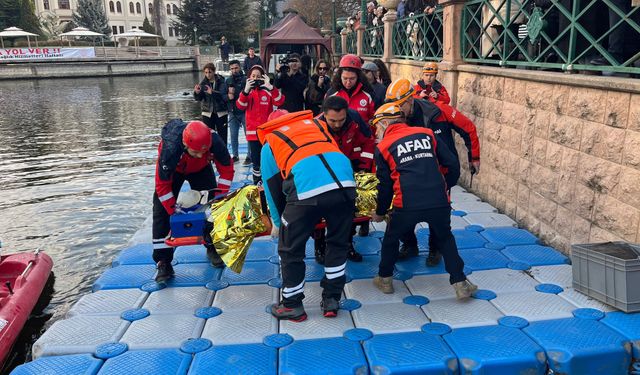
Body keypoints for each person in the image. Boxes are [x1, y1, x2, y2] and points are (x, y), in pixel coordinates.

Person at [369, 103, 478, 299]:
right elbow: (452, 162)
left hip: (407, 203)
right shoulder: (427, 133)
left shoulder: (384, 147)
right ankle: (460, 283)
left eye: (377, 126)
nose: (377, 131)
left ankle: (385, 279)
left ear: (385, 123)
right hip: (438, 200)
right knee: (445, 238)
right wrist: (445, 186)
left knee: (391, 238)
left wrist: (380, 211)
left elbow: (384, 186)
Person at [258, 110, 357, 321]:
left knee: (290, 248)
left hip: (308, 191)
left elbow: (273, 189)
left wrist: (279, 223)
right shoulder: (317, 127)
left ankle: (292, 305)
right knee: (338, 244)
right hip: (346, 186)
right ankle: (332, 300)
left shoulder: (271, 142)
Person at [385, 78, 480, 265]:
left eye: (398, 106)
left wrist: (474, 157)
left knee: (439, 214)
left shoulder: (438, 111)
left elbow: (468, 127)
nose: (394, 112)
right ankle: (409, 245)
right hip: (409, 175)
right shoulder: (393, 118)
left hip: (441, 172)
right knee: (402, 211)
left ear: (409, 101)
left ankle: (435, 249)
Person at [152, 120, 234, 282]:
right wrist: (174, 213)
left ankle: (213, 246)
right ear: (184, 144)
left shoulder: (215, 142)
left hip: (200, 169)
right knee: (161, 212)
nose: (201, 154)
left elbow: (227, 171)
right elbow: (162, 186)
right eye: (196, 152)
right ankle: (163, 262)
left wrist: (219, 197)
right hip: (175, 170)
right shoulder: (169, 149)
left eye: (204, 152)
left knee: (211, 209)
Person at [312, 96, 376, 264]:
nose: (338, 124)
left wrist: (363, 167)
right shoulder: (314, 127)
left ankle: (347, 244)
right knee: (321, 213)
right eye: (333, 121)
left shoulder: (355, 119)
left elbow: (368, 141)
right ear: (324, 114)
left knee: (349, 212)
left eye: (341, 120)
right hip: (323, 175)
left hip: (349, 172)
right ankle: (320, 246)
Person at [236, 65, 284, 184]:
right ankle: (257, 184)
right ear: (249, 78)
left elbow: (280, 101)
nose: (256, 79)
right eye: (253, 76)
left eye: (258, 76)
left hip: (266, 134)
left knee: (269, 160)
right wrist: (245, 91)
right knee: (256, 163)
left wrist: (270, 87)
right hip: (253, 135)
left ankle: (271, 183)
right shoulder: (247, 93)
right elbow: (239, 106)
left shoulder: (267, 92)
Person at [326, 54, 375, 124]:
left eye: (352, 78)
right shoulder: (331, 93)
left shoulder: (369, 93)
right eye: (345, 78)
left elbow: (375, 119)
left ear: (358, 77)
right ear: (340, 76)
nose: (348, 82)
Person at [194, 63, 229, 144]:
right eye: (206, 72)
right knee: (208, 135)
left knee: (223, 135)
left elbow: (223, 95)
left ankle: (223, 154)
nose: (208, 74)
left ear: (214, 72)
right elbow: (198, 99)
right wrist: (197, 92)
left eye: (210, 72)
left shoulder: (221, 81)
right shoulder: (202, 83)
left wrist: (212, 92)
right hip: (207, 112)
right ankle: (210, 154)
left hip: (221, 112)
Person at [225, 60, 247, 163]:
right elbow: (222, 95)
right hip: (232, 112)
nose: (234, 70)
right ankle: (235, 155)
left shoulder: (246, 80)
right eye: (232, 69)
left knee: (249, 136)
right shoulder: (228, 80)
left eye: (236, 68)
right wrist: (228, 96)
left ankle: (250, 156)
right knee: (233, 135)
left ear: (240, 67)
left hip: (245, 111)